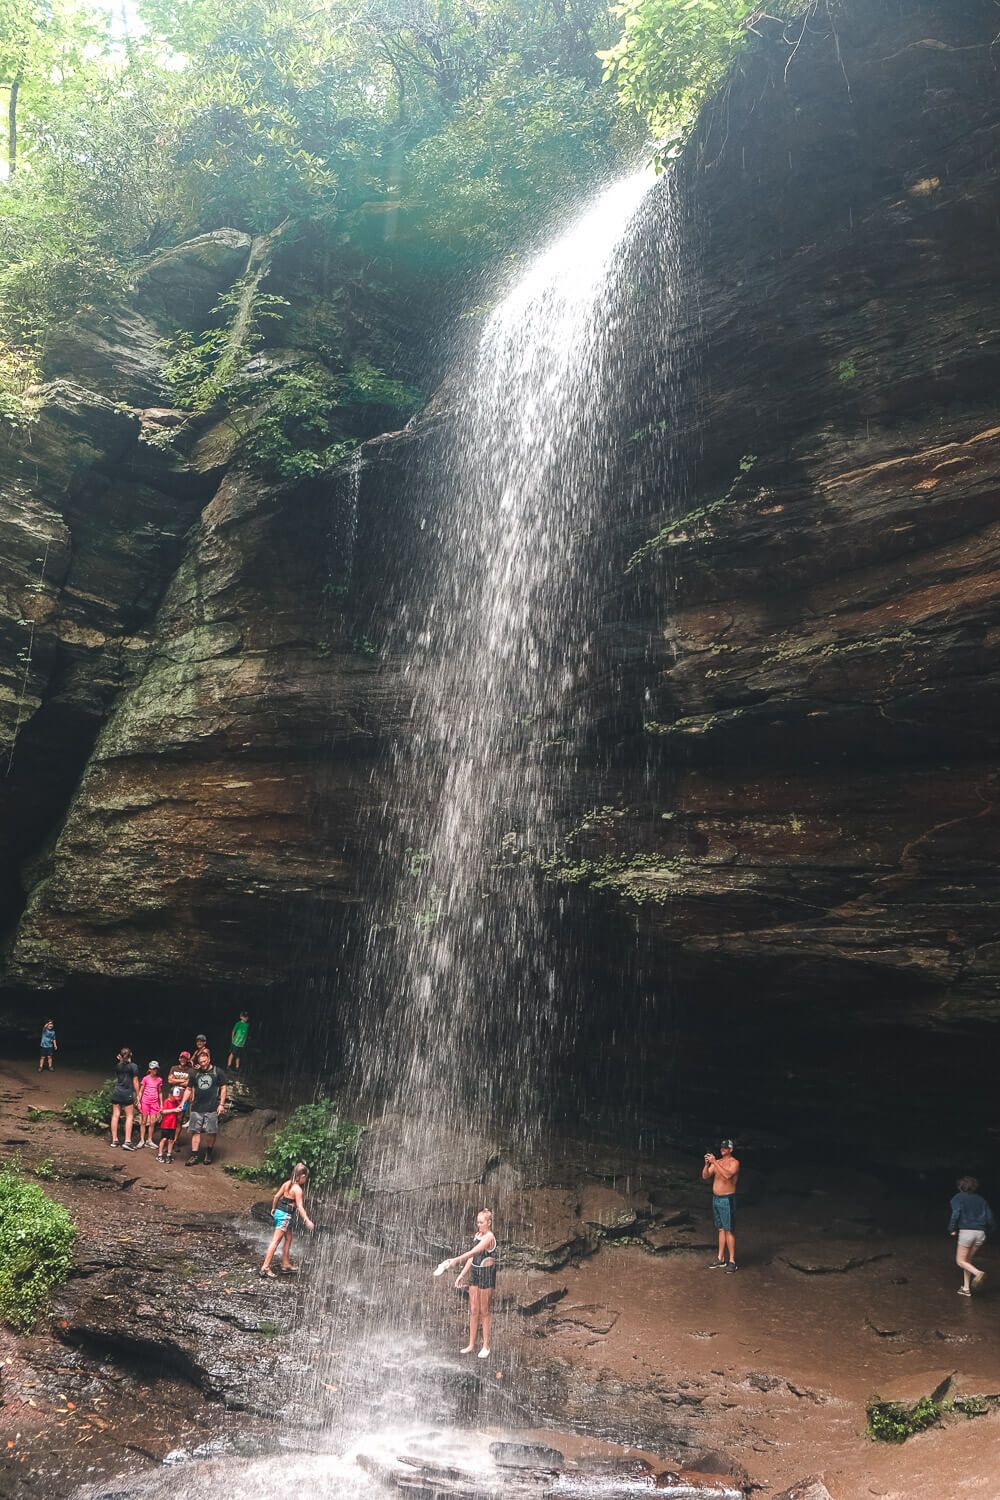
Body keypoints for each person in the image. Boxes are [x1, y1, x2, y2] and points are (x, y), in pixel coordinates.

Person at [440, 1209, 497, 1359]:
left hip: (486, 1274)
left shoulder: (489, 1237)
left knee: (484, 1310)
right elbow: (472, 1258)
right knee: (473, 1309)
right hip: (475, 1272)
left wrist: (455, 1260)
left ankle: (486, 1345)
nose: (479, 1225)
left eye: (481, 1222)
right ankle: (471, 1344)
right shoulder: (478, 1235)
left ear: (489, 1222)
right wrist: (461, 1274)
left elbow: (474, 1252)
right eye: (477, 1222)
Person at [259, 1162, 314, 1278]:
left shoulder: (287, 1184)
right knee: (275, 1241)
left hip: (280, 1212)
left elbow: (276, 1197)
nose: (306, 1180)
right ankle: (265, 1266)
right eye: (306, 1178)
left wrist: (273, 1209)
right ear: (302, 1176)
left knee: (288, 1238)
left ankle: (285, 1264)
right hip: (285, 1216)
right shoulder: (297, 1189)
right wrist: (307, 1220)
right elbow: (299, 1207)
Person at [950, 1175, 994, 1296]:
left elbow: (955, 1213)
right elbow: (990, 1218)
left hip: (967, 1233)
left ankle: (978, 1273)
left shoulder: (957, 1198)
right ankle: (966, 1288)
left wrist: (952, 1228)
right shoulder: (981, 1199)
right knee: (967, 1261)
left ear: (960, 1186)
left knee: (960, 1261)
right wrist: (988, 1230)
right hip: (980, 1233)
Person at [183, 1048, 227, 1166]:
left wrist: (221, 1104)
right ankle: (194, 1155)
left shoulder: (218, 1072)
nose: (203, 1064)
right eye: (200, 1062)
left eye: (204, 1061)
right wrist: (182, 1103)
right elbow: (188, 1088)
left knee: (211, 1131)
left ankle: (208, 1153)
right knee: (195, 1131)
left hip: (212, 1106)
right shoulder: (194, 1073)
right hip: (197, 1106)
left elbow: (223, 1087)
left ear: (209, 1059)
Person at [703, 1139, 740, 1272]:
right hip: (716, 1199)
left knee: (728, 1229)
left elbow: (727, 1175)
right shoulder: (717, 1162)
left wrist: (714, 1162)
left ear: (731, 1149)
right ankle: (721, 1259)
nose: (722, 1149)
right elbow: (705, 1176)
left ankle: (732, 1261)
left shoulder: (734, 1162)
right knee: (720, 1229)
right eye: (721, 1147)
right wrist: (707, 1164)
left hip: (726, 1199)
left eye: (725, 1148)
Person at [110, 1047, 140, 1150]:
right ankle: (127, 1141)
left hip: (117, 1092)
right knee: (129, 1116)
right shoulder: (134, 1066)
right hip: (127, 1093)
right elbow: (135, 1081)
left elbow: (122, 1066)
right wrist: (138, 1094)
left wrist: (121, 1061)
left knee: (115, 1115)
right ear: (130, 1055)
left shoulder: (118, 1066)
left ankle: (114, 1140)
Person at [137, 1062, 163, 1149]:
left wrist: (161, 1104)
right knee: (143, 1121)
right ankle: (142, 1140)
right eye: (153, 1069)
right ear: (150, 1069)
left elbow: (160, 1092)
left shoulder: (159, 1080)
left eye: (156, 1069)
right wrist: (139, 1101)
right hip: (145, 1101)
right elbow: (141, 1091)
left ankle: (149, 1140)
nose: (154, 1070)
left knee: (152, 1122)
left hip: (154, 1102)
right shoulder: (146, 1079)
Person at [157, 1086, 184, 1163]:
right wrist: (174, 1110)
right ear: (170, 1094)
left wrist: (179, 1110)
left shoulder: (176, 1102)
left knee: (171, 1140)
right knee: (164, 1139)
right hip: (165, 1124)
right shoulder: (166, 1102)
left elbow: (179, 1112)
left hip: (173, 1124)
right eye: (174, 1096)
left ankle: (169, 1154)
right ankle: (160, 1154)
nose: (176, 1098)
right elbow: (163, 1112)